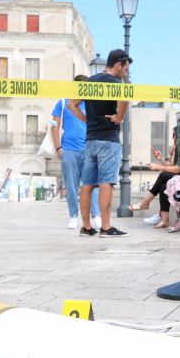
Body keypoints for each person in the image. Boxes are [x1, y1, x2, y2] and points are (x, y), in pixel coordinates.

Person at [76, 49, 131, 238]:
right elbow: (125, 98)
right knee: (106, 182)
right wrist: (119, 117)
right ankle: (106, 227)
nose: (125, 73)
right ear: (118, 64)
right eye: (125, 69)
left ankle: (86, 226)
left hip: (90, 140)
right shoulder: (116, 83)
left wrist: (86, 120)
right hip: (108, 139)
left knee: (88, 184)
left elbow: (71, 104)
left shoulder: (89, 82)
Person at [51, 75, 100, 229]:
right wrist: (58, 147)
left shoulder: (92, 104)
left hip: (88, 149)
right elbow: (54, 125)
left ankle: (96, 215)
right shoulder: (63, 102)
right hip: (68, 149)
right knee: (71, 185)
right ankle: (73, 216)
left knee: (92, 183)